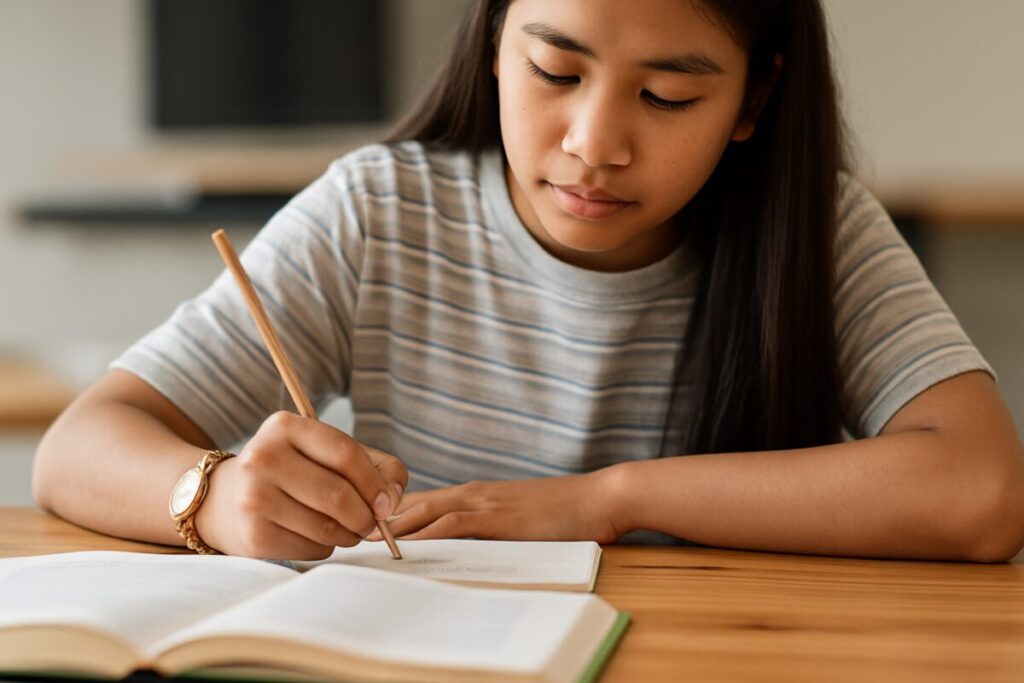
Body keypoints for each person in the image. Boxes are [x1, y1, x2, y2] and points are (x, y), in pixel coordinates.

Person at [33, 0, 1024, 562]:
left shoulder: (810, 228)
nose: (595, 145)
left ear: (752, 100)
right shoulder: (381, 212)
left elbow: (979, 490)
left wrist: (605, 498)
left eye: (667, 94)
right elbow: (79, 446)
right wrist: (209, 496)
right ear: (495, 45)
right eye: (554, 71)